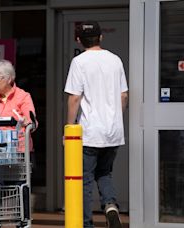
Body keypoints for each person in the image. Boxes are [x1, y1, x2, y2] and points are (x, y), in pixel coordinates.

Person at [64, 21, 128, 228]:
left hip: (90, 131)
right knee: (105, 172)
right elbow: (124, 95)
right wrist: (116, 116)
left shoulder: (79, 62)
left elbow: (74, 98)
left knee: (85, 179)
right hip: (114, 130)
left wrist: (69, 129)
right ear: (101, 37)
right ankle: (110, 205)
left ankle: (85, 223)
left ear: (78, 40)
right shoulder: (115, 60)